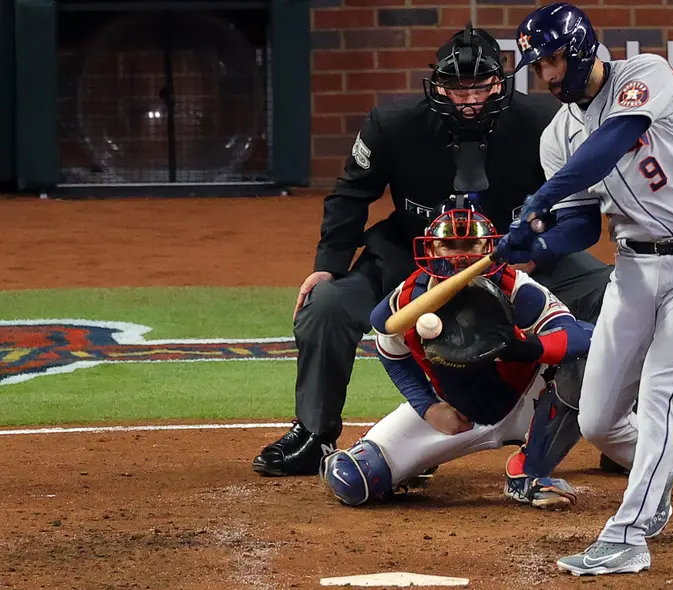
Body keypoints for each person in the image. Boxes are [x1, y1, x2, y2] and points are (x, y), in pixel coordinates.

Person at [252, 24, 616, 478]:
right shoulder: (392, 124)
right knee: (324, 306)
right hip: (414, 258)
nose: (468, 98)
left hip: (513, 258)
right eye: (456, 87)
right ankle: (313, 434)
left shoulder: (546, 121)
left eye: (480, 86)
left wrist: (536, 252)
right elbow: (349, 196)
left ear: (500, 83)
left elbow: (575, 203)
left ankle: (616, 429)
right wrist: (327, 267)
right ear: (436, 84)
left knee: (613, 292)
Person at [498, 3, 673, 576]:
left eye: (554, 60)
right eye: (539, 67)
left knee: (660, 393)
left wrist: (539, 199)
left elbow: (613, 142)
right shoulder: (558, 135)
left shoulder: (646, 75)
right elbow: (585, 220)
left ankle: (628, 536)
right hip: (634, 270)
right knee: (598, 421)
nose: (548, 76)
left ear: (582, 49)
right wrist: (534, 245)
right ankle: (663, 463)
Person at [319, 198, 591, 509]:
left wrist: (528, 348)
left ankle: (529, 471)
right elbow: (389, 350)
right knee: (351, 479)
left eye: (471, 244)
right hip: (458, 413)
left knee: (586, 363)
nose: (461, 256)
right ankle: (420, 461)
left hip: (532, 402)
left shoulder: (516, 290)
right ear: (432, 250)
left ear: (488, 248)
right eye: (450, 245)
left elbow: (581, 338)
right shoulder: (408, 299)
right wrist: (428, 407)